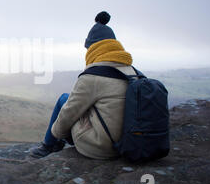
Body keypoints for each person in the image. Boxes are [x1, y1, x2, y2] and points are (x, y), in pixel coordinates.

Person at [30, 11, 135, 159]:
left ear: (93, 48)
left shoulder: (93, 76)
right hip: (130, 143)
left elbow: (68, 113)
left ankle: (48, 145)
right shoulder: (132, 71)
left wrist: (57, 133)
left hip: (103, 148)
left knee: (64, 100)